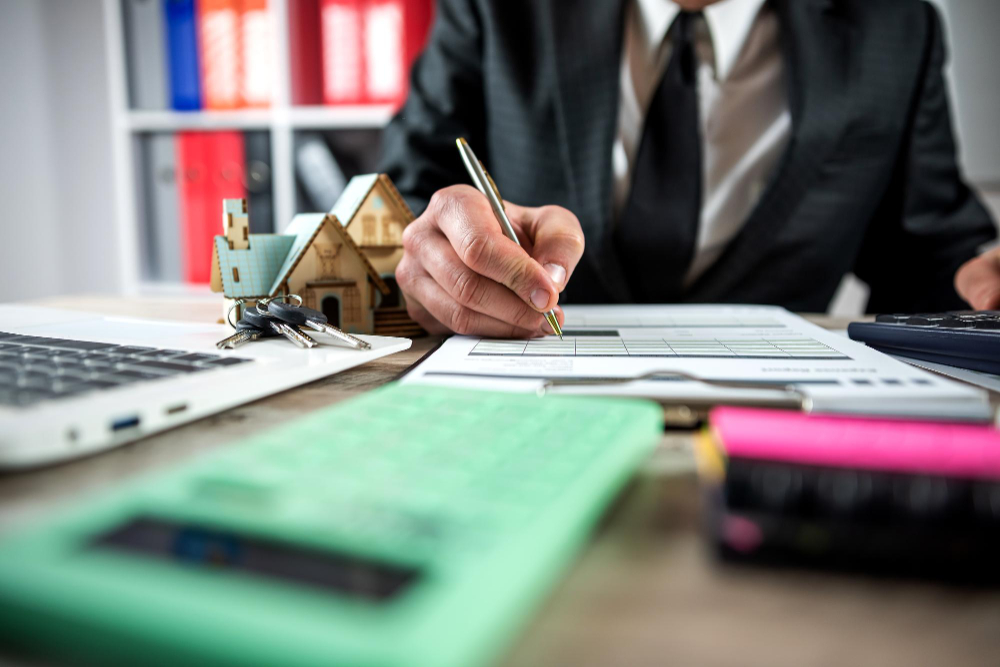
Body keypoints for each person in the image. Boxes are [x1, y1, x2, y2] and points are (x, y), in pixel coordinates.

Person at [378, 0, 999, 338]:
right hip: (522, 393)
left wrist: (981, 290)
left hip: (785, 419)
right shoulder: (495, 8)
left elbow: (929, 253)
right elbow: (400, 198)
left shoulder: (896, 26)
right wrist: (433, 266)